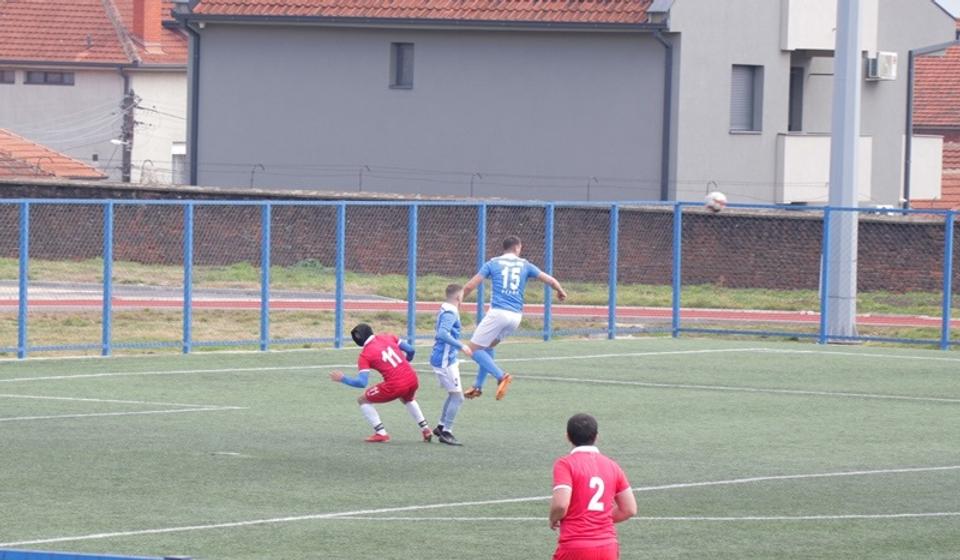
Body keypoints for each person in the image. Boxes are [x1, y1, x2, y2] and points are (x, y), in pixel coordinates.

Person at [461, 235, 566, 400]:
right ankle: (477, 386)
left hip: (498, 313)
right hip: (516, 317)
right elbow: (550, 280)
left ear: (504, 248)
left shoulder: (492, 263)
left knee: (473, 350)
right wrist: (560, 291)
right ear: (518, 248)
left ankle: (501, 376)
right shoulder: (525, 264)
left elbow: (470, 285)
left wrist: (458, 301)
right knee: (487, 348)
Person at [549, 413, 636, 560]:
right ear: (596, 437)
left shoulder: (565, 464)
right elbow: (629, 509)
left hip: (575, 546)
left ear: (568, 437)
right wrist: (598, 519)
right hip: (608, 547)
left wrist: (553, 518)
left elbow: (561, 505)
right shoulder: (612, 466)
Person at [329, 323, 432, 443]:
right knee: (407, 399)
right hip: (412, 378)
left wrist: (343, 378)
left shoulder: (365, 355)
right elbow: (411, 350)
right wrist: (406, 363)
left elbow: (362, 382)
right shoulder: (387, 336)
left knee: (363, 399)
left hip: (396, 385)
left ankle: (381, 433)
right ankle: (426, 429)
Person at [429, 283, 473, 446]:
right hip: (444, 360)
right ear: (459, 297)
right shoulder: (450, 312)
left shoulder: (445, 308)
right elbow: (442, 333)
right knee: (458, 397)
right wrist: (461, 346)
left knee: (453, 394)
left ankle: (441, 426)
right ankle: (447, 432)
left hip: (448, 358)